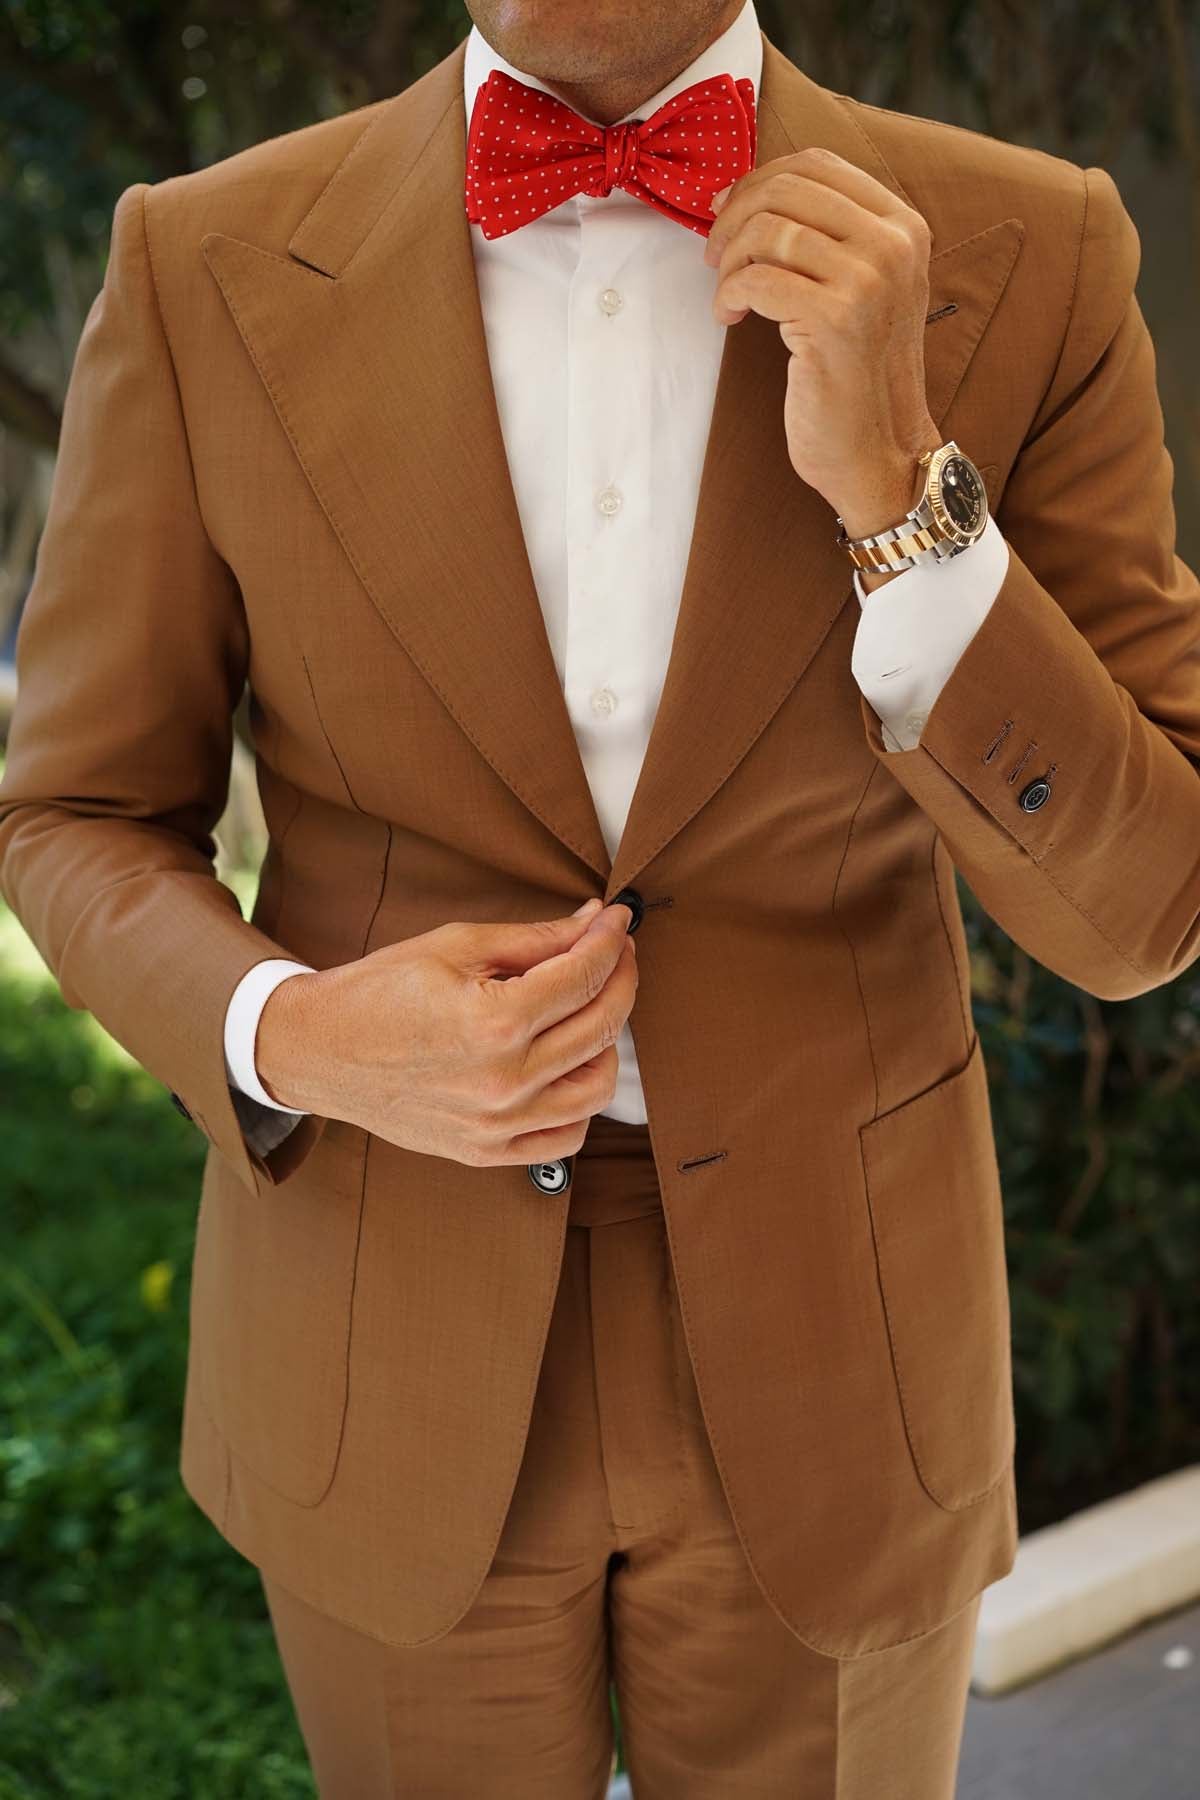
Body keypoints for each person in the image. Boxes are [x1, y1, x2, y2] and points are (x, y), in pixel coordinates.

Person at [3, 0, 1199, 1792]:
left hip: (840, 1349)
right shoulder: (203, 262)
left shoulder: (1033, 244)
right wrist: (299, 1035)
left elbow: (1144, 907)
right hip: (381, 1330)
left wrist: (900, 494)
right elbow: (78, 811)